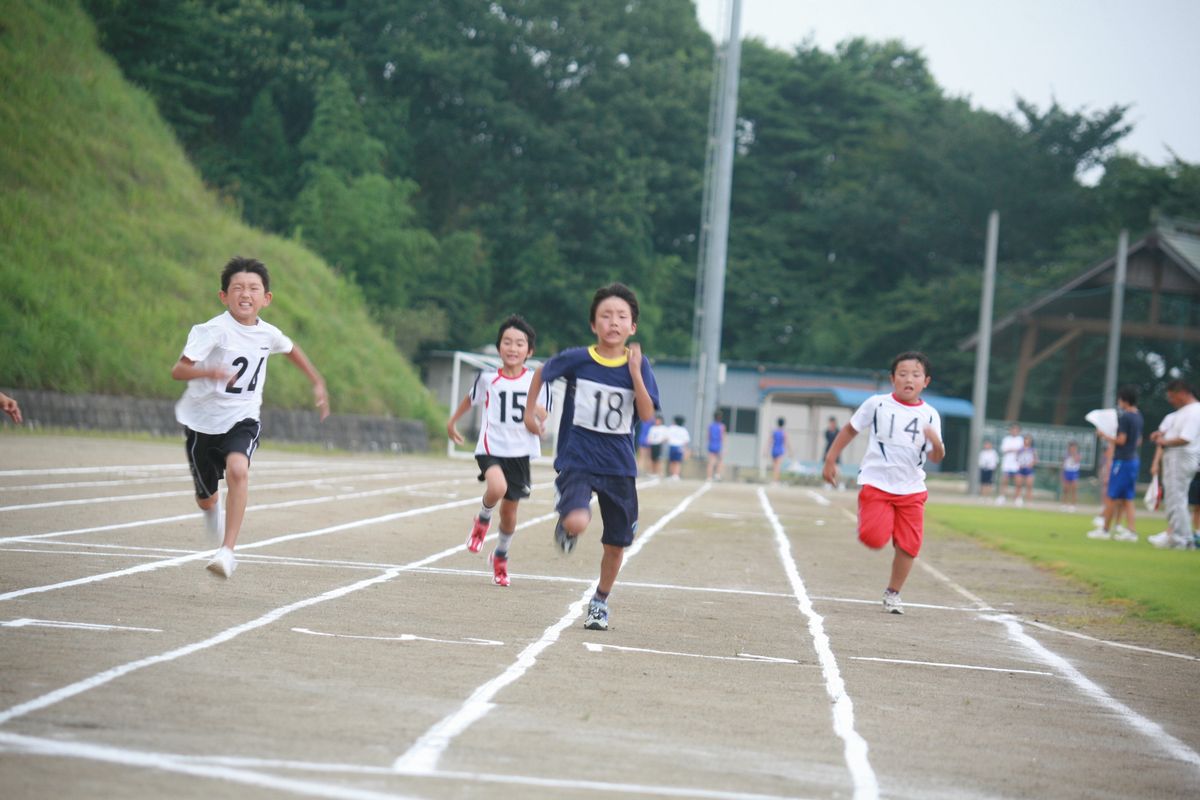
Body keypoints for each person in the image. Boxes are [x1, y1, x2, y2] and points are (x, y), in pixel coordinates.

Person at [172, 256, 329, 578]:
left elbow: (290, 348)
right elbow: (179, 369)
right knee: (206, 499)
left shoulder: (267, 334)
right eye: (238, 288)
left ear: (266, 298)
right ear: (224, 296)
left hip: (243, 417)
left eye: (254, 288)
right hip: (202, 423)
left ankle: (227, 552)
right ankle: (211, 509)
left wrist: (317, 381)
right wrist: (209, 370)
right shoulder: (212, 330)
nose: (246, 294)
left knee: (239, 470)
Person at [524, 283, 659, 631]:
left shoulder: (638, 366)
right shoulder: (578, 359)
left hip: (619, 466)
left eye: (621, 317)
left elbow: (647, 415)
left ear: (633, 327)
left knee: (616, 545)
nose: (613, 322)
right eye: (605, 316)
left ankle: (600, 601)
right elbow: (542, 372)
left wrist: (634, 376)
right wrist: (530, 411)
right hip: (578, 459)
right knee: (577, 522)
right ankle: (566, 522)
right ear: (593, 324)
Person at [822, 351, 944, 615]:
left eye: (915, 374)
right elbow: (850, 429)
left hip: (912, 489)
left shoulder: (931, 415)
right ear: (892, 379)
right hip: (877, 483)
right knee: (873, 538)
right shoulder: (876, 404)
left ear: (926, 381)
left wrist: (936, 443)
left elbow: (936, 456)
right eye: (902, 374)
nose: (908, 379)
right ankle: (879, 520)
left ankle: (893, 593)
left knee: (910, 545)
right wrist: (831, 459)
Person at [446, 315, 550, 587]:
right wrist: (452, 420)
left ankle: (501, 554)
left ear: (530, 351)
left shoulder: (537, 381)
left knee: (510, 514)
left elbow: (542, 414)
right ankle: (482, 518)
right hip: (491, 447)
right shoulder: (487, 378)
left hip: (520, 452)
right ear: (499, 347)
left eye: (519, 343)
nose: (512, 348)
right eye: (507, 342)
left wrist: (539, 419)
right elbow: (471, 399)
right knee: (497, 488)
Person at [1147, 380, 1200, 550]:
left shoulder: (1195, 411)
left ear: (1182, 392)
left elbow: (1186, 438)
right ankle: (1179, 536)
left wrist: (1164, 441)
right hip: (1175, 457)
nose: (1171, 400)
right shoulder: (1182, 412)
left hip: (1183, 457)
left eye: (1172, 396)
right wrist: (1161, 435)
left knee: (1177, 499)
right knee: (1173, 499)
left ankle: (1182, 539)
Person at [1087, 385, 1143, 542]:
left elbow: (1121, 440)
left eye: (1120, 399)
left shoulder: (1125, 417)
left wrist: (1104, 435)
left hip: (1122, 461)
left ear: (1125, 400)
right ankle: (1131, 531)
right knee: (1128, 498)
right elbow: (1137, 440)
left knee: (1111, 495)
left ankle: (1105, 530)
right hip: (1133, 460)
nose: (1119, 402)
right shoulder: (1139, 416)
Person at [998, 423, 1023, 504]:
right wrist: (1013, 450)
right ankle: (1002, 497)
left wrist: (1012, 450)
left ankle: (1018, 498)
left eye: (1016, 430)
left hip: (1017, 464)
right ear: (1010, 430)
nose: (1014, 431)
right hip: (1007, 464)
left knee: (1018, 482)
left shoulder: (1021, 440)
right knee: (1004, 481)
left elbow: (1021, 450)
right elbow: (1004, 450)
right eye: (1013, 429)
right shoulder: (1006, 439)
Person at [665, 415, 691, 480]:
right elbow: (686, 441)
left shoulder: (671, 428)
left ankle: (672, 474)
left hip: (672, 446)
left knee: (672, 461)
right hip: (680, 447)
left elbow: (667, 437)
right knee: (678, 462)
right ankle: (676, 475)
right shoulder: (684, 430)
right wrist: (685, 449)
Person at [1016, 434, 1037, 506]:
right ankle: (1018, 499)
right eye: (1026, 439)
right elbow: (1017, 458)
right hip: (1021, 468)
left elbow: (1035, 459)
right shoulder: (1020, 449)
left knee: (1029, 486)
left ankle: (1029, 501)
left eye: (1028, 439)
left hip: (1029, 469)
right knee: (1019, 485)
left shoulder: (1032, 450)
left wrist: (1031, 464)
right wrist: (1019, 464)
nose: (1027, 441)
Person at [706, 411, 727, 481]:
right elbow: (722, 437)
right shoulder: (722, 426)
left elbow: (708, 436)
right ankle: (717, 475)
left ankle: (709, 477)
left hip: (711, 444)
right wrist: (724, 447)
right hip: (719, 445)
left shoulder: (711, 426)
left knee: (711, 462)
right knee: (720, 461)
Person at [768, 417, 790, 484]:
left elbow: (770, 441)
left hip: (774, 450)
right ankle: (776, 480)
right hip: (780, 450)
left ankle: (774, 480)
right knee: (778, 466)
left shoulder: (774, 432)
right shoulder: (783, 433)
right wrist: (789, 451)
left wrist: (766, 450)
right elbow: (786, 442)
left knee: (774, 466)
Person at [1060, 441, 1080, 510]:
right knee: (1065, 489)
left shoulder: (1077, 454)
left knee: (1073, 490)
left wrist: (1073, 454)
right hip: (1067, 472)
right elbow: (1063, 465)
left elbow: (1077, 460)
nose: (1072, 449)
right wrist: (1062, 474)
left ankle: (1073, 505)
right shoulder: (1065, 455)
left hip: (1074, 472)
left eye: (1074, 448)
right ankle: (1064, 504)